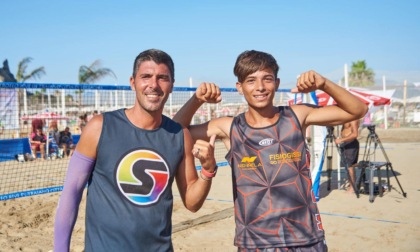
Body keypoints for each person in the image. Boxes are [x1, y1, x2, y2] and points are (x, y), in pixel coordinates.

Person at [173, 50, 368, 251]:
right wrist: (197, 99)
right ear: (239, 87)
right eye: (251, 80)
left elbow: (357, 110)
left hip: (305, 236)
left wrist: (324, 84)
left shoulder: (296, 116)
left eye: (267, 79)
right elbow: (173, 130)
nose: (260, 87)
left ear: (276, 82)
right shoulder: (229, 127)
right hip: (256, 241)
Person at [54, 49, 217, 251]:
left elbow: (192, 203)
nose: (154, 85)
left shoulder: (179, 135)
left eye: (162, 78)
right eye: (146, 76)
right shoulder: (100, 127)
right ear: (133, 82)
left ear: (172, 85)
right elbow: (71, 193)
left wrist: (208, 171)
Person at [335, 119, 360, 193]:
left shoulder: (353, 119)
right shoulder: (345, 117)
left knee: (350, 166)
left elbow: (355, 134)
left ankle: (352, 187)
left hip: (351, 144)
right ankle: (351, 184)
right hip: (344, 143)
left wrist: (341, 139)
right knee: (347, 166)